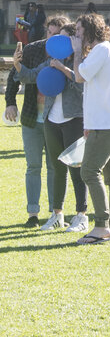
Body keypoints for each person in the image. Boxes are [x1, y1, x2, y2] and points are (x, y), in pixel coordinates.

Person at [75, 12, 110, 245]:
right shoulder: (107, 50)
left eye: (79, 30)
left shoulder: (101, 50)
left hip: (107, 123)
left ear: (89, 30)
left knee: (89, 171)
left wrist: (76, 52)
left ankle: (101, 226)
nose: (77, 35)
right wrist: (88, 124)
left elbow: (79, 76)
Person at [4, 14, 58, 227]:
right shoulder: (33, 49)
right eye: (50, 32)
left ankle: (55, 213)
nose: (52, 37)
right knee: (33, 166)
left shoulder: (68, 54)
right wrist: (10, 102)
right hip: (31, 118)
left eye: (57, 34)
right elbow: (14, 76)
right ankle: (32, 214)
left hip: (55, 120)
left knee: (54, 167)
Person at [39, 16, 89, 234]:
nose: (58, 43)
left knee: (77, 170)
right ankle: (57, 214)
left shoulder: (81, 61)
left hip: (73, 120)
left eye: (64, 39)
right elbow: (33, 75)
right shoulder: (52, 61)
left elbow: (81, 86)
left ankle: (81, 215)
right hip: (51, 120)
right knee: (57, 169)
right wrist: (19, 65)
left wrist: (63, 69)